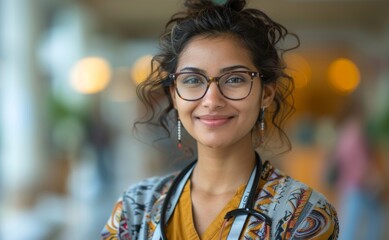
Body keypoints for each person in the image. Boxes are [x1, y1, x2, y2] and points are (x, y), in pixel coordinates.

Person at [101, 0, 339, 239]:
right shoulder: (134, 209)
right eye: (193, 80)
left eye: (235, 79)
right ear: (174, 95)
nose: (212, 100)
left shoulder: (305, 216)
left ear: (266, 93)